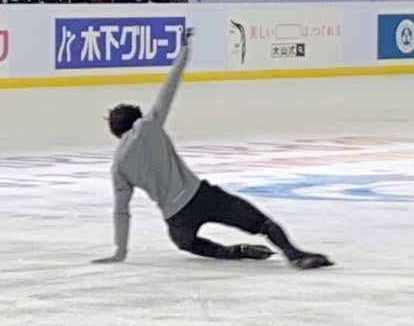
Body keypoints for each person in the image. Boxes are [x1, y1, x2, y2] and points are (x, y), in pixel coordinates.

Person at [95, 28, 333, 270]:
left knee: (186, 243)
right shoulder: (148, 125)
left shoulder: (119, 166)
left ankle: (231, 252)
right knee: (261, 223)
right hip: (203, 197)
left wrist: (120, 251)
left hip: (176, 219)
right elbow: (169, 88)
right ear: (136, 118)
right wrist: (184, 51)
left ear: (116, 133)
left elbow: (121, 211)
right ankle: (293, 254)